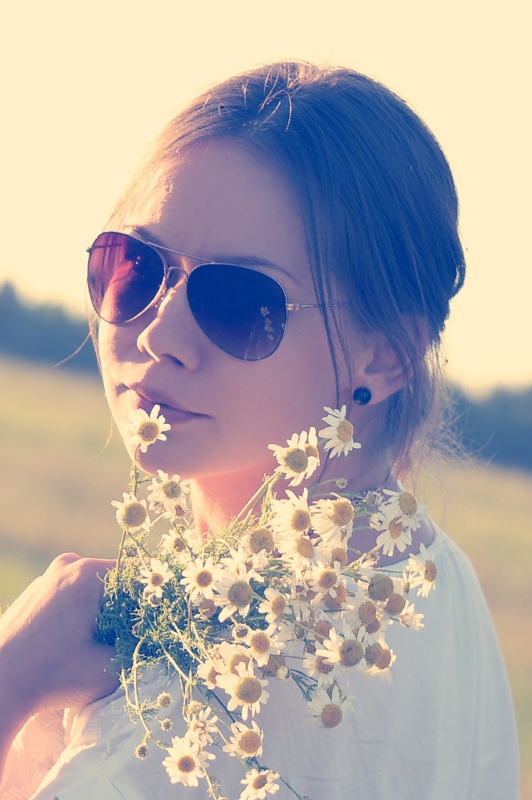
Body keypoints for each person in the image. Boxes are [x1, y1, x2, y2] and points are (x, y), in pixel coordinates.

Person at [0, 61, 519, 799]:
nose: (160, 335)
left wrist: (17, 667)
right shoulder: (431, 580)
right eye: (137, 266)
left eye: (242, 301)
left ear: (384, 356)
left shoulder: (216, 686)